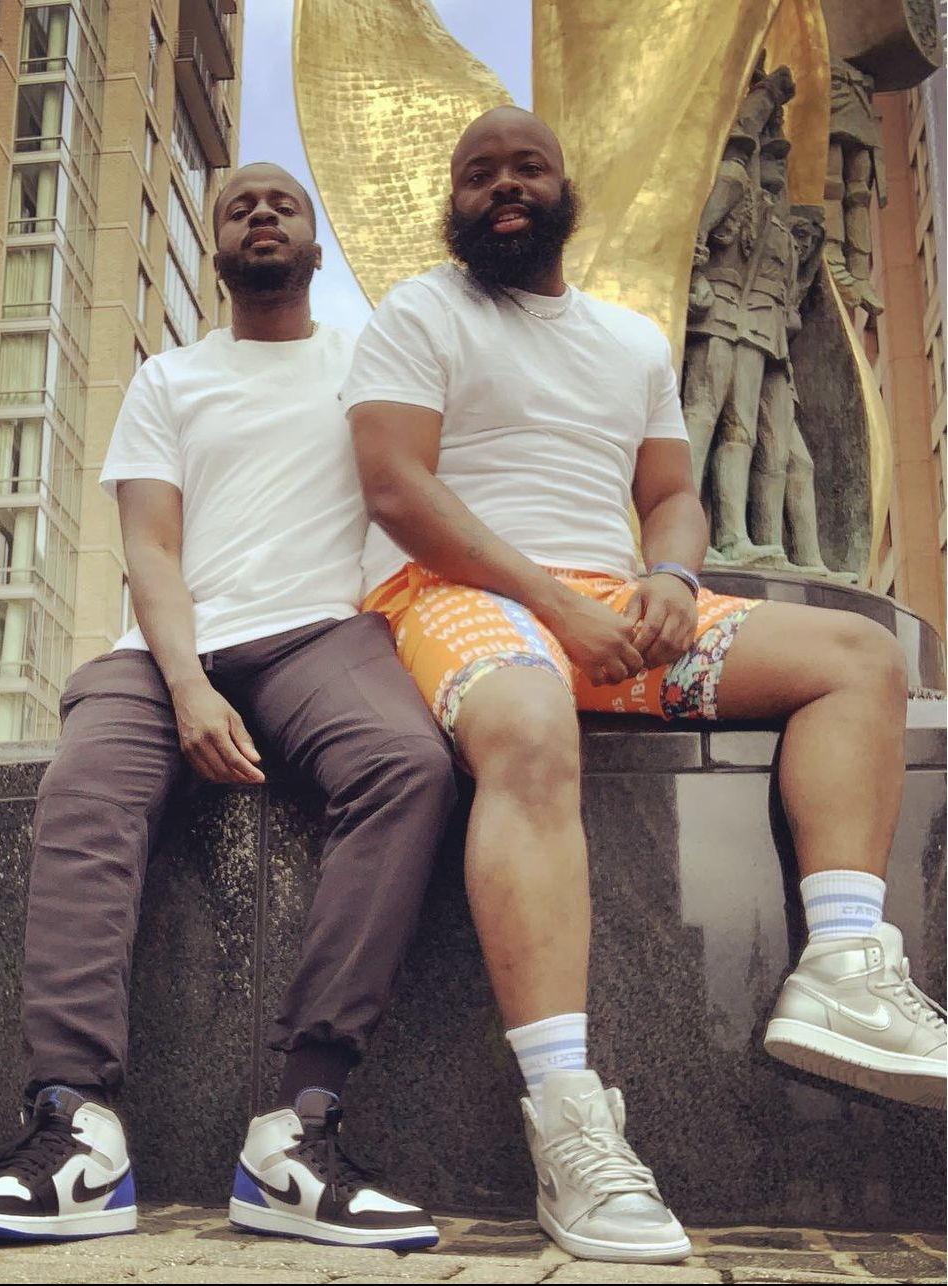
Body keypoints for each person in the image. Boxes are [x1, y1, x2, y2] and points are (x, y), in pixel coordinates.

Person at [343, 105, 946, 1266]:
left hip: (606, 604)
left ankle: (841, 967)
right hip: (451, 589)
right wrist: (555, 601)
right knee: (527, 719)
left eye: (526, 167)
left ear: (564, 188)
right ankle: (569, 1117)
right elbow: (395, 488)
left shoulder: (626, 340)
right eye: (478, 173)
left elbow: (669, 493)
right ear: (452, 201)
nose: (503, 186)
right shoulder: (418, 312)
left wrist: (668, 574)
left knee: (855, 658)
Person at [0, 163, 456, 1250]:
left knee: (406, 763)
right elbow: (150, 550)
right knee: (84, 784)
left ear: (314, 242)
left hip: (321, 634)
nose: (260, 212)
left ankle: (298, 1128)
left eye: (282, 202)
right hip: (168, 648)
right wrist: (186, 686)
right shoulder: (169, 379)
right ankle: (74, 1130)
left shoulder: (367, 362)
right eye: (237, 205)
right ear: (216, 249)